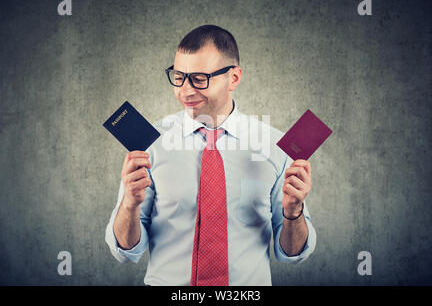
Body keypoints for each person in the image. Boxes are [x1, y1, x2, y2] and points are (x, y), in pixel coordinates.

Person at [105, 25, 316, 286]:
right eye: (179, 76)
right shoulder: (151, 144)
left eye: (199, 78)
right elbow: (126, 252)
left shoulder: (276, 146)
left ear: (234, 78)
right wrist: (130, 205)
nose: (185, 90)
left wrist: (293, 212)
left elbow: (292, 255)